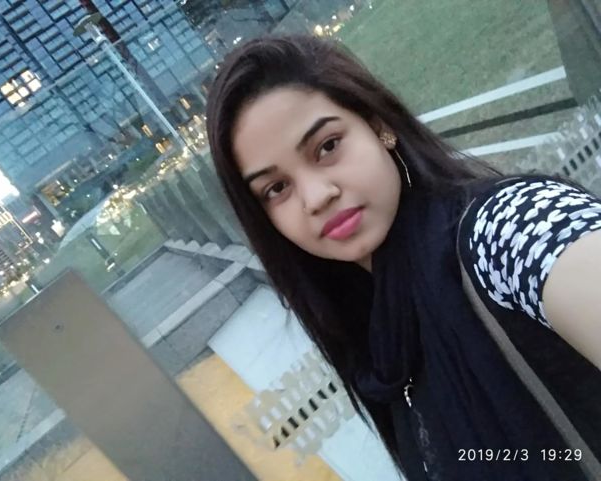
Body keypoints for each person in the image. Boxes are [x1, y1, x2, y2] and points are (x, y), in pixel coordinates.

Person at [205, 34, 601, 480]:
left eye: (327, 146)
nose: (316, 197)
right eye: (277, 188)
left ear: (379, 127)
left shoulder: (507, 226)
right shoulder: (380, 348)